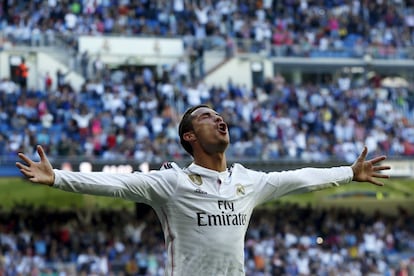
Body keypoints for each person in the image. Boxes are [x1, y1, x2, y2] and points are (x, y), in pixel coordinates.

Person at [16, 104, 391, 275]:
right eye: (206, 116)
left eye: (218, 114)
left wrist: (348, 172)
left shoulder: (249, 181)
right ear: (190, 136)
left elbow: (298, 178)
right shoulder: (172, 182)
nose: (218, 118)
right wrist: (59, 177)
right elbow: (118, 183)